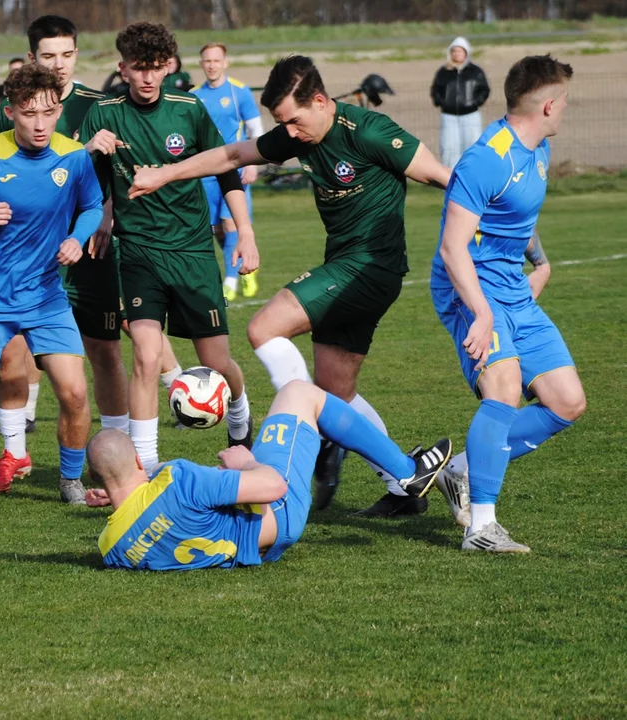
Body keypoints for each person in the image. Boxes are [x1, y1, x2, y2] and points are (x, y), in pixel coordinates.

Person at [129, 55, 451, 518]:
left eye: (295, 122)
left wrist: (502, 232)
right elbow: (233, 154)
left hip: (369, 267)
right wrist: (163, 173)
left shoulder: (371, 131)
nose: (291, 134)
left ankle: (312, 433)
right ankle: (404, 485)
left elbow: (445, 179)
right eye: (283, 125)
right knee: (335, 395)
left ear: (320, 101)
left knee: (263, 328)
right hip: (347, 266)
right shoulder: (301, 130)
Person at [80, 22, 259, 472]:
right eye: (138, 69)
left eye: (155, 68)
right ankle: (145, 465)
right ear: (122, 68)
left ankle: (237, 404)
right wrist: (88, 154)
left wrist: (246, 233)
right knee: (144, 352)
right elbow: (80, 181)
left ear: (169, 67)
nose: (146, 78)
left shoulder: (189, 109)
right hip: (138, 251)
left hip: (194, 251)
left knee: (215, 362)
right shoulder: (104, 113)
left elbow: (227, 169)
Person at [430, 55, 584, 553]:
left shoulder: (535, 150)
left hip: (512, 285)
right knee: (504, 387)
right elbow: (453, 248)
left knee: (566, 401)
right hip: (469, 286)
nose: (566, 111)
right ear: (547, 105)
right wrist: (482, 312)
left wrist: (540, 261)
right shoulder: (486, 157)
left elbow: (517, 214)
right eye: (564, 102)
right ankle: (482, 528)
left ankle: (463, 469)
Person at [0, 64, 104, 504]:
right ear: (10, 112)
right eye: (30, 113)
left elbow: (92, 206)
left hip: (46, 298)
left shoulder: (74, 156)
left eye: (49, 112)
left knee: (75, 391)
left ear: (59, 110)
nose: (41, 123)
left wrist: (76, 238)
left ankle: (70, 481)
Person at [0, 15, 134, 493]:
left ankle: (119, 455)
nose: (60, 64)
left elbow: (112, 173)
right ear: (32, 59)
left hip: (89, 247)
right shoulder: (8, 109)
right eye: (49, 56)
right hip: (26, 256)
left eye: (67, 54)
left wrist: (107, 213)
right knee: (13, 350)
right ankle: (16, 456)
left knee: (104, 349)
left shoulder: (98, 103)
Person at [88, 380, 452, 570]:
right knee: (299, 393)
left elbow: (156, 518)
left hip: (252, 548)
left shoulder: (110, 546)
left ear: (100, 480)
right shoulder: (179, 480)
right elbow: (272, 486)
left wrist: (129, 493)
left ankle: (342, 454)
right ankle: (408, 474)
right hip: (279, 510)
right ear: (138, 460)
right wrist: (245, 462)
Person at [194, 42, 264, 301]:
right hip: (207, 174)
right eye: (207, 61)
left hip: (235, 168)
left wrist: (252, 164)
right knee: (219, 231)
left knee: (230, 221)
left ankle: (231, 281)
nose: (212, 65)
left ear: (225, 63)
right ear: (201, 64)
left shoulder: (239, 92)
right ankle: (244, 261)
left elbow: (256, 130)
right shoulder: (195, 95)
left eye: (216, 60)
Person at [431, 37, 490, 169]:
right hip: (449, 116)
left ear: (466, 52)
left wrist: (474, 103)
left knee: (472, 146)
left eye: (460, 51)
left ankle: (473, 176)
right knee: (449, 148)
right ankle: (450, 179)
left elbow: (484, 90)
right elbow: (435, 90)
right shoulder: (443, 72)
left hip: (470, 116)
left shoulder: (475, 72)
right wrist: (442, 103)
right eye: (454, 51)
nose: (457, 54)